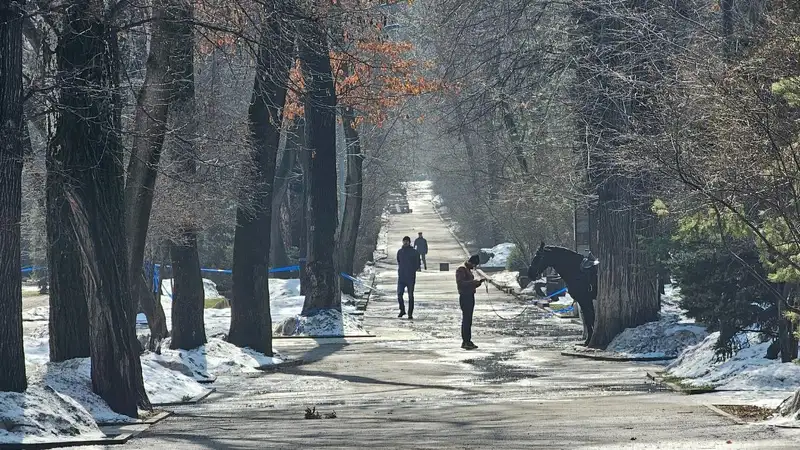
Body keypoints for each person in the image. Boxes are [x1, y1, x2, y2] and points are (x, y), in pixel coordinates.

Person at [456, 254, 484, 350]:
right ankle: (465, 341)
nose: (474, 267)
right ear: (471, 262)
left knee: (469, 320)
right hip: (465, 297)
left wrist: (477, 283)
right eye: (474, 265)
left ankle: (468, 340)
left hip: (470, 296)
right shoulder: (461, 269)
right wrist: (473, 282)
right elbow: (460, 283)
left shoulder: (467, 270)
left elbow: (468, 284)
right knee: (466, 320)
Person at [396, 236, 421, 319]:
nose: (405, 243)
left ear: (409, 242)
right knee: (399, 294)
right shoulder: (400, 252)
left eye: (407, 241)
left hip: (410, 277)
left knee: (410, 296)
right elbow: (399, 261)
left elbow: (418, 264)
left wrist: (412, 269)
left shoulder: (414, 252)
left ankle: (410, 313)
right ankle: (402, 310)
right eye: (404, 241)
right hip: (401, 277)